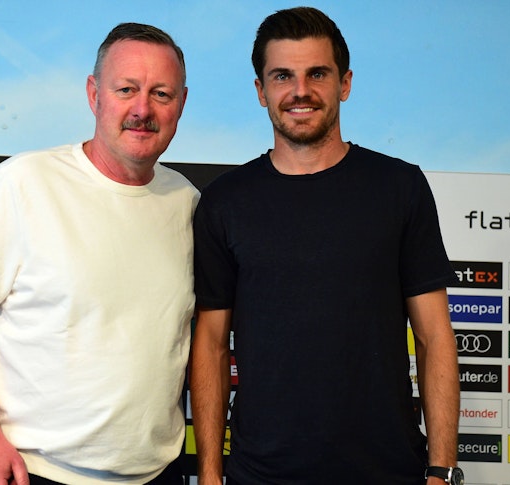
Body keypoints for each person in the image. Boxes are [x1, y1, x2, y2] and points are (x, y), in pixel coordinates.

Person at [189, 7, 462, 485]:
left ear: (345, 83)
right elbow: (211, 344)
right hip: (262, 474)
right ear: (261, 91)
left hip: (388, 471)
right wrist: (211, 475)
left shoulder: (400, 187)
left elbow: (434, 337)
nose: (300, 91)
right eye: (282, 76)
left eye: (317, 73)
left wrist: (442, 470)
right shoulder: (224, 202)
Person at [0, 22, 198, 485]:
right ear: (94, 94)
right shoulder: (25, 182)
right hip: (36, 473)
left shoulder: (188, 203)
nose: (142, 109)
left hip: (159, 475)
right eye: (126, 89)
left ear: (182, 104)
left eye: (161, 94)